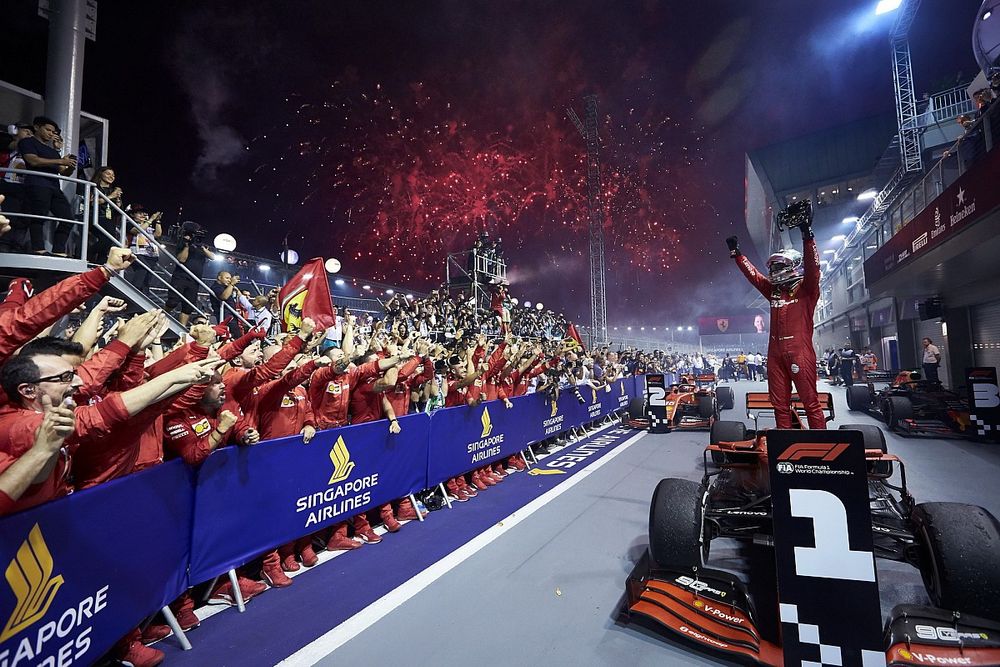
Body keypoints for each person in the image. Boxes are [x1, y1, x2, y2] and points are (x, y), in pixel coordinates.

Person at [727, 201, 824, 429]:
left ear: (793, 266)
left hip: (800, 353)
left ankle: (822, 444)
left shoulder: (807, 289)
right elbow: (755, 277)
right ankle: (786, 445)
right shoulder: (773, 291)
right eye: (773, 268)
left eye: (780, 268)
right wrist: (738, 255)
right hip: (774, 356)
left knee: (810, 402)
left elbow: (813, 267)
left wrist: (807, 235)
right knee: (779, 405)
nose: (775, 272)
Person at [17, 116, 77, 255]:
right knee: (39, 216)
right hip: (37, 184)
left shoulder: (52, 151)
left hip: (54, 187)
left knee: (67, 218)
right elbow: (33, 161)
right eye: (48, 130)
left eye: (53, 132)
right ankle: (38, 249)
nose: (51, 134)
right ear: (37, 127)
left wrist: (70, 165)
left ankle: (59, 250)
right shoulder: (28, 142)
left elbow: (64, 173)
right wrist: (60, 160)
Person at [163, 221, 214, 327]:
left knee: (188, 306)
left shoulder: (201, 246)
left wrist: (202, 248)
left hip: (195, 280)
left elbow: (212, 257)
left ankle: (181, 329)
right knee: (173, 301)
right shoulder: (182, 242)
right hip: (181, 277)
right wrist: (187, 245)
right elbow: (181, 259)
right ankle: (160, 317)